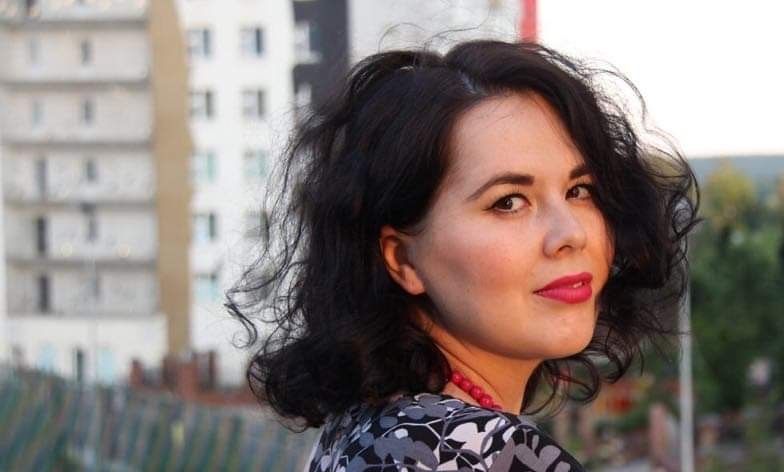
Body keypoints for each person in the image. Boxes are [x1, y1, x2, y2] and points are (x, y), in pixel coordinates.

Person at [226, 39, 699, 471]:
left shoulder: (368, 431)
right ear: (402, 259)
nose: (570, 233)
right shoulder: (492, 455)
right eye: (508, 202)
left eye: (580, 190)